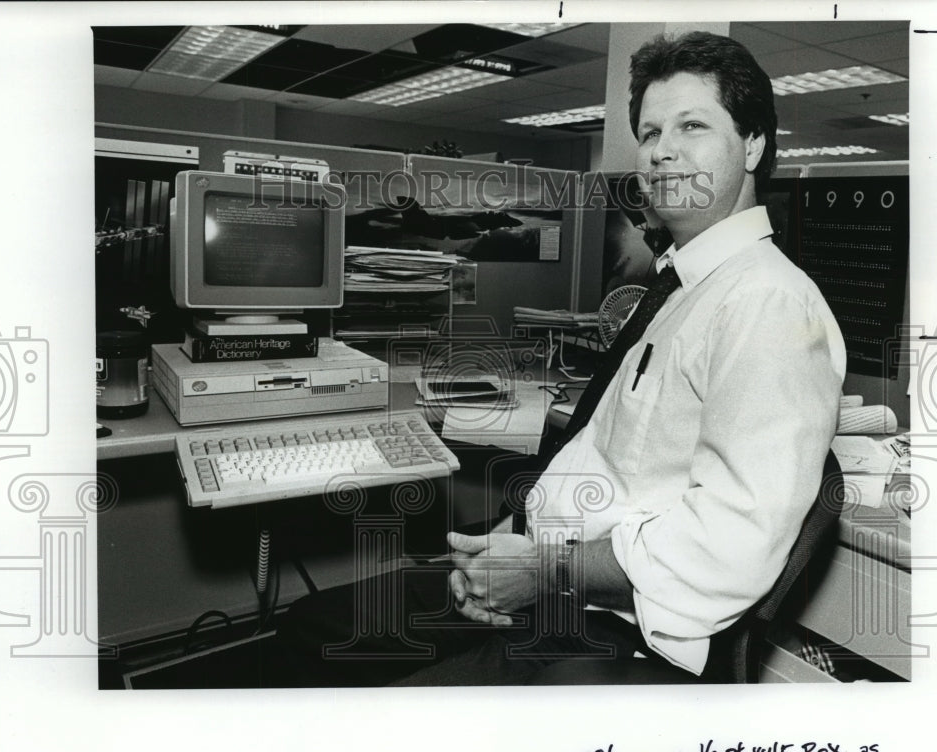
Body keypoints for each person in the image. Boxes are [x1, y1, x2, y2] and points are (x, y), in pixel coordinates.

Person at [277, 30, 846, 686]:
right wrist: (503, 549)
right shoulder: (682, 288)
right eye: (650, 132)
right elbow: (598, 455)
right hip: (547, 570)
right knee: (313, 629)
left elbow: (727, 544)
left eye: (692, 126)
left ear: (753, 144)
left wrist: (541, 570)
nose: (662, 151)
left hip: (606, 621)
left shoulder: (767, 304)